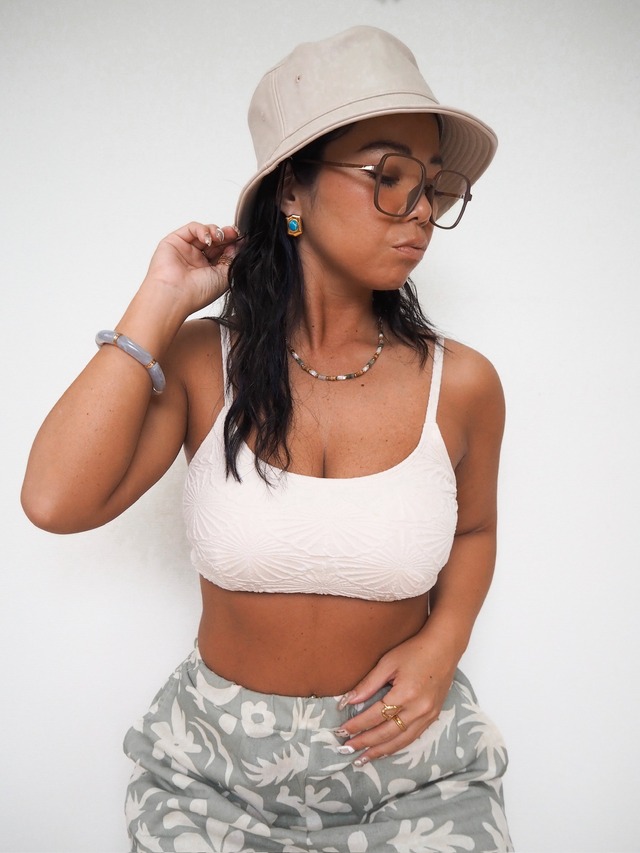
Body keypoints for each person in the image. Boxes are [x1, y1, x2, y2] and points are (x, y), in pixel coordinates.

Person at [22, 25, 513, 853]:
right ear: (293, 192)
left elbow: (475, 528)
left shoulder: (461, 383)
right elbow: (53, 500)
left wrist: (444, 640)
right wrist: (161, 297)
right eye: (389, 177)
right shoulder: (201, 363)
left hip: (410, 766)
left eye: (434, 186)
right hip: (213, 771)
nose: (423, 211)